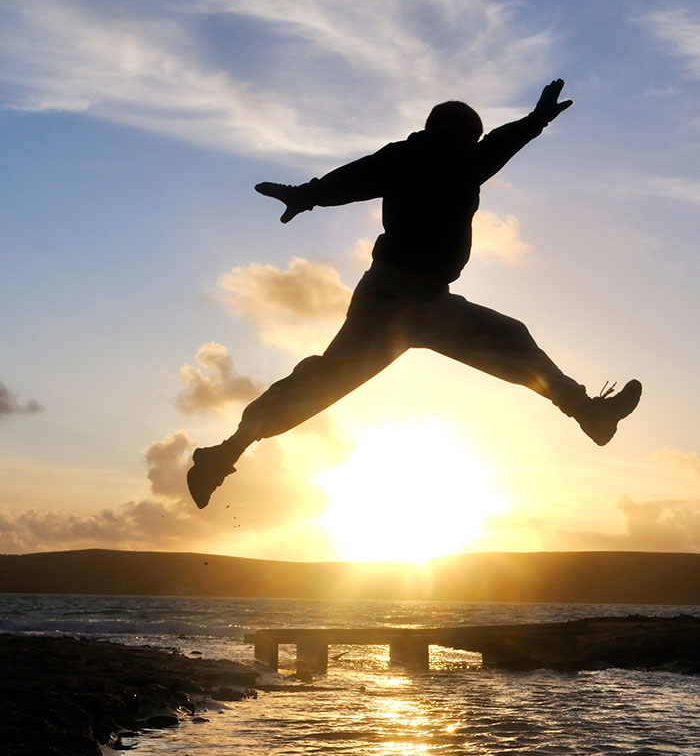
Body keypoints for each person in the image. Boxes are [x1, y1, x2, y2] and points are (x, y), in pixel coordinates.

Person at [187, 79, 641, 509]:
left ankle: (588, 413)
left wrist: (537, 120)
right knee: (326, 379)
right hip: (391, 296)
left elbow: (499, 145)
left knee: (509, 338)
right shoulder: (415, 158)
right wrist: (305, 195)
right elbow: (354, 178)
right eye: (465, 137)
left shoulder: (464, 162)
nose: (469, 146)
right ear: (445, 134)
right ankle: (224, 453)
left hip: (429, 299)